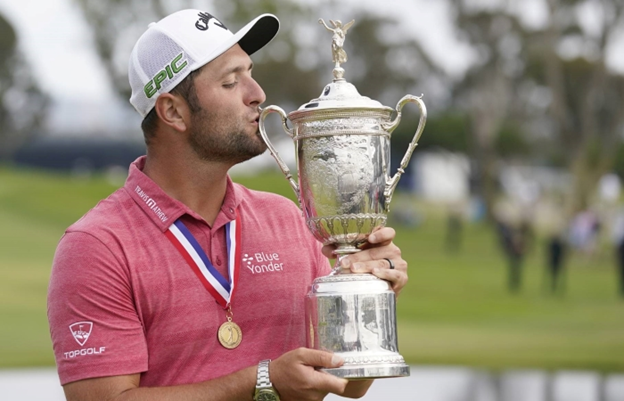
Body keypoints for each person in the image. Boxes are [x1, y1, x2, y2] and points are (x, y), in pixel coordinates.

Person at [46, 9, 409, 401]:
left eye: (250, 73)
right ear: (172, 111)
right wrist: (261, 381)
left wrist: (369, 294)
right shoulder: (97, 246)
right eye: (231, 81)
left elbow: (347, 382)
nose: (257, 94)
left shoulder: (289, 219)